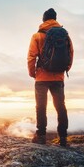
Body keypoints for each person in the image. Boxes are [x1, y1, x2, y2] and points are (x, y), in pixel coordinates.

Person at [27, 8, 74, 146]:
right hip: (58, 78)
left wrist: (32, 73)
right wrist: (64, 70)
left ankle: (41, 136)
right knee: (60, 106)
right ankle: (63, 138)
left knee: (41, 106)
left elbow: (31, 56)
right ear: (55, 19)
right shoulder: (65, 35)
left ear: (43, 19)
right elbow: (70, 54)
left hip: (41, 77)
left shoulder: (37, 36)